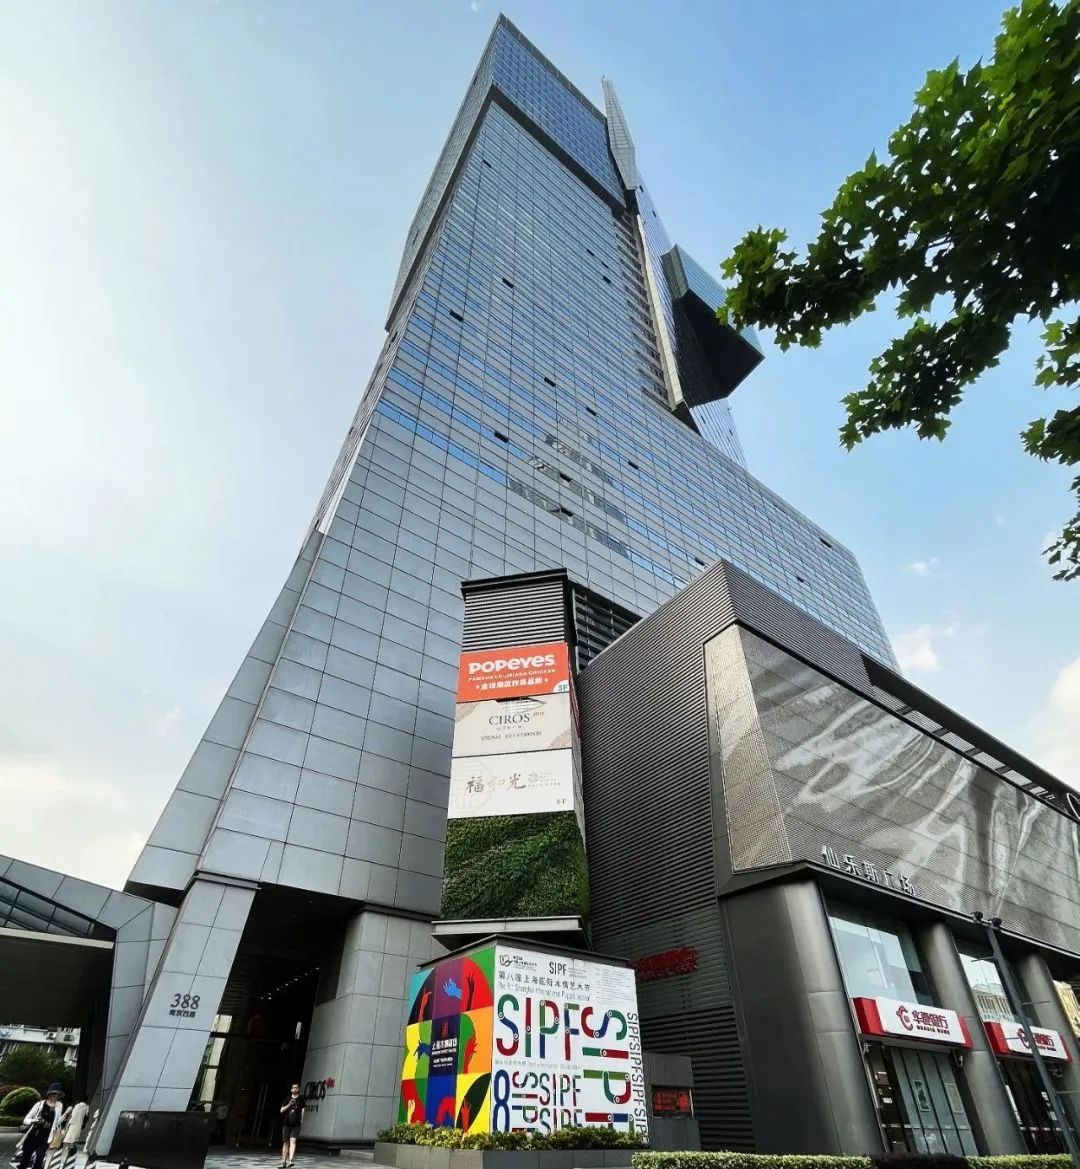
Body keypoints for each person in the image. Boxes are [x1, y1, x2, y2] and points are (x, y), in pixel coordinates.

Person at [19, 1084, 64, 1169]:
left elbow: (57, 1122)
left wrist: (66, 1115)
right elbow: (26, 1119)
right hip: (33, 1135)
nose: (54, 1096)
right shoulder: (39, 1104)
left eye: (56, 1094)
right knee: (25, 1159)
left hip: (46, 1137)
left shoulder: (59, 1106)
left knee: (39, 1160)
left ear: (59, 1095)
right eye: (52, 1093)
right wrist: (34, 1120)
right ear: (48, 1094)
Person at [278, 1084, 304, 1168]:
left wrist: (301, 1121)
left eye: (296, 1087)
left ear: (298, 1089)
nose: (295, 1089)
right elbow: (281, 1110)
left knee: (293, 1141)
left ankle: (290, 1161)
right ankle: (283, 1162)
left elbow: (303, 1110)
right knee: (286, 1142)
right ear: (291, 1089)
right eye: (293, 1087)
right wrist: (289, 1104)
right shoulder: (287, 1098)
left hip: (296, 1124)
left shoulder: (301, 1098)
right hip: (287, 1123)